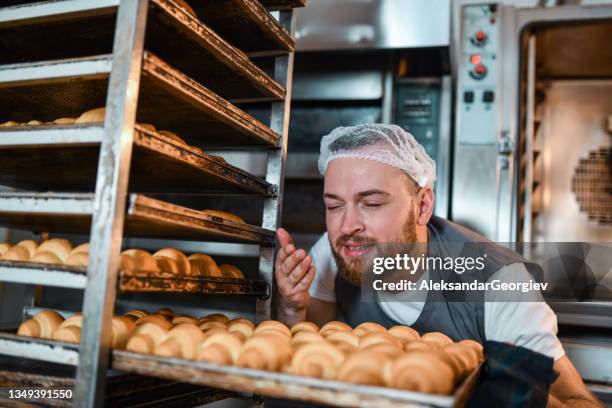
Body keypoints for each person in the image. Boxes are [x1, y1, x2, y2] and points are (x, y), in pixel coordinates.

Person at [274, 124, 602, 407]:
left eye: (371, 203)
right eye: (333, 205)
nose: (347, 225)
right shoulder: (336, 251)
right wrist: (291, 307)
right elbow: (310, 353)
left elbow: (579, 401)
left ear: (423, 205)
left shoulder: (500, 283)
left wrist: (524, 396)